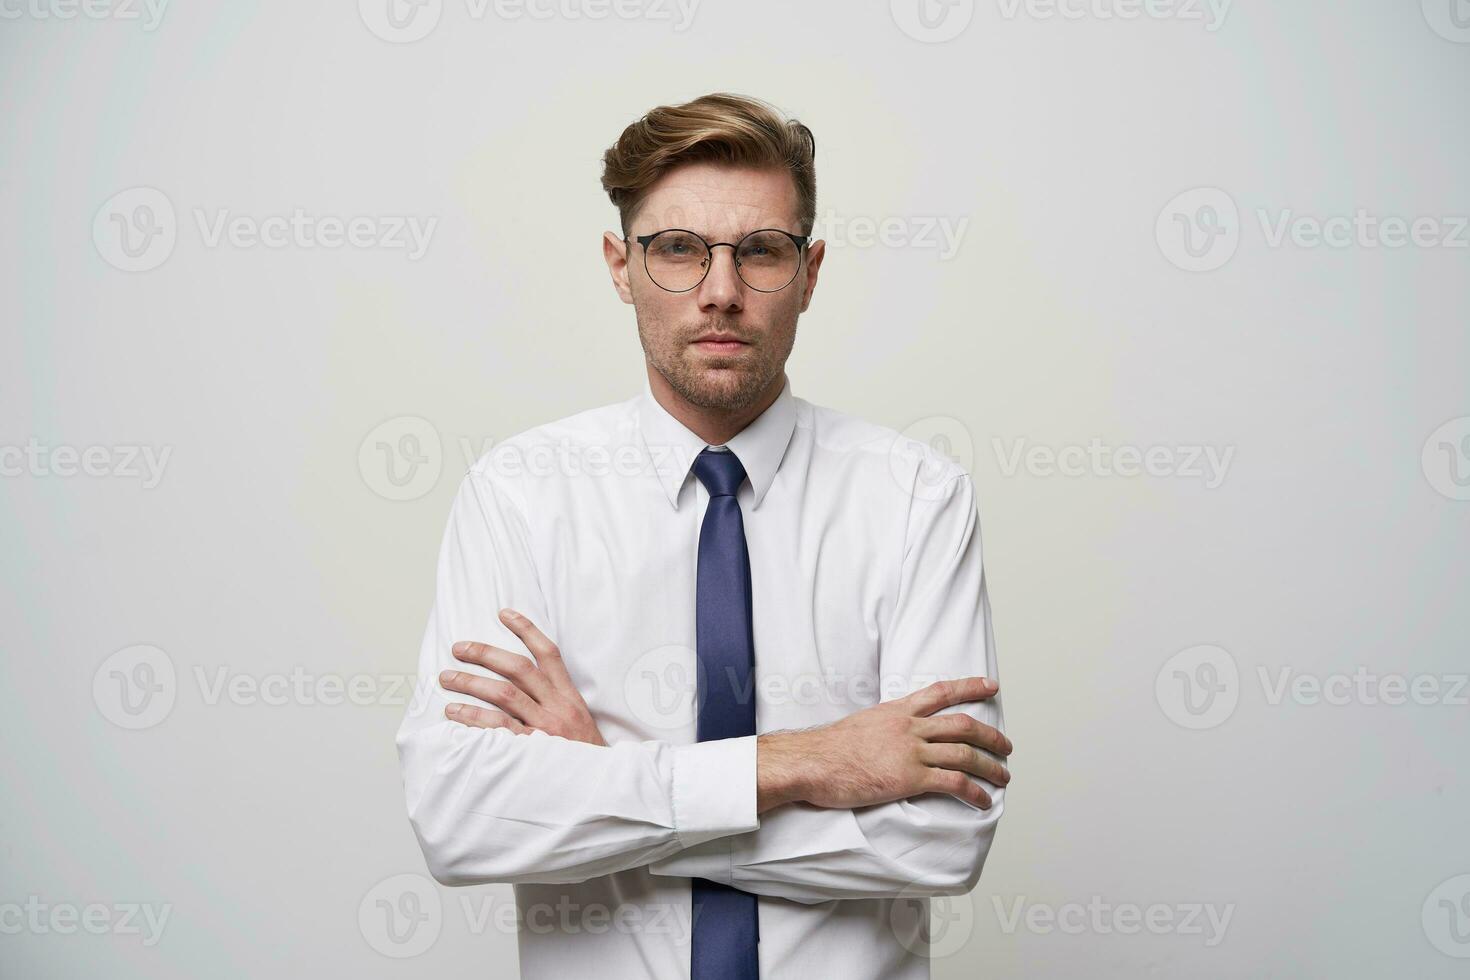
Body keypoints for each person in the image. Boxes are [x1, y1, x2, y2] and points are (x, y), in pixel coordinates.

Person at [395, 91, 1012, 980]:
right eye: (678, 249)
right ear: (620, 264)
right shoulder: (521, 495)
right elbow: (460, 819)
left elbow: (944, 842)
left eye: (761, 251)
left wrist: (609, 791)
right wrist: (805, 764)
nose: (721, 292)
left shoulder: (916, 498)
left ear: (810, 270)